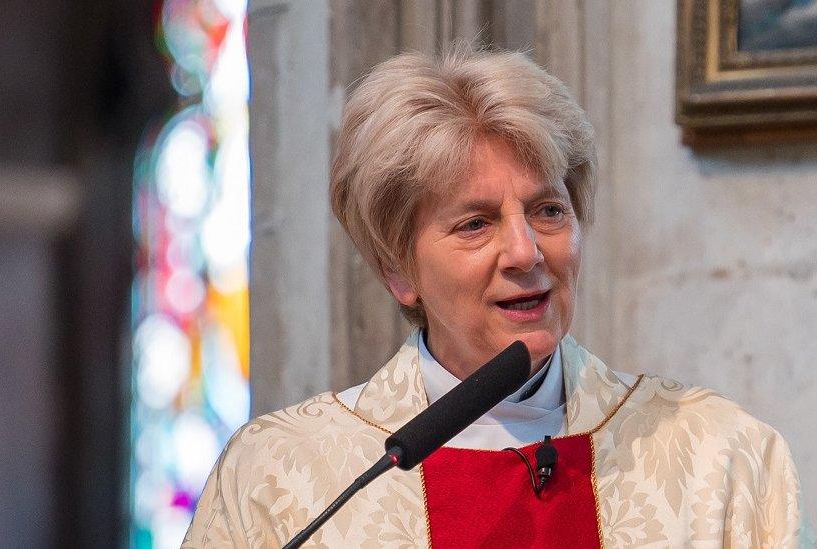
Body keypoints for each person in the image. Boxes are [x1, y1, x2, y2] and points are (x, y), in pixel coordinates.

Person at [183, 48, 812, 547]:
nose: (525, 251)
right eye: (475, 223)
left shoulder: (723, 459)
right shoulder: (284, 481)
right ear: (399, 270)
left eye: (547, 210)